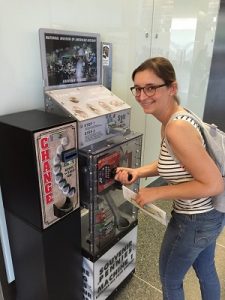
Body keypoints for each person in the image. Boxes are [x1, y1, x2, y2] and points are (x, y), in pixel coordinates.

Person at [115, 57, 225, 300]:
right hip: (210, 217)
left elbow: (214, 183)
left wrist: (157, 192)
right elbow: (174, 163)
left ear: (172, 88)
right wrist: (139, 172)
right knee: (205, 268)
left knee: (170, 280)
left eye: (151, 87)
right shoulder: (175, 118)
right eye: (138, 88)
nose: (142, 96)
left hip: (194, 220)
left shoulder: (176, 128)